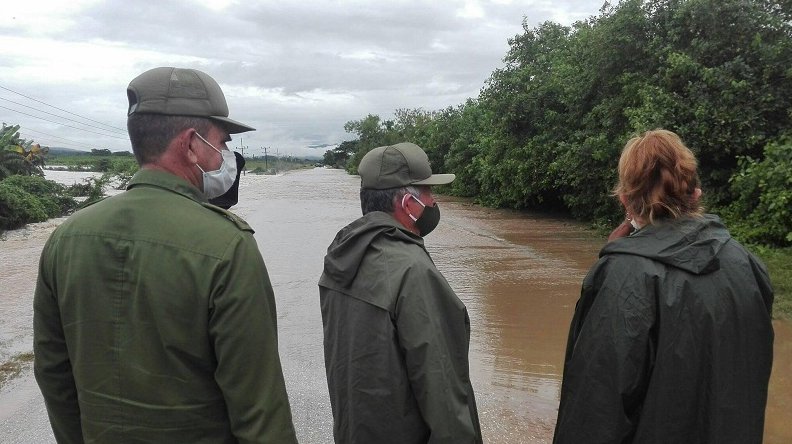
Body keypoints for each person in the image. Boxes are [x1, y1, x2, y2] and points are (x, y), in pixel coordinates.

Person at [34, 67, 297, 443]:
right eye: (222, 143)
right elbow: (259, 407)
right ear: (192, 144)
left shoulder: (66, 238)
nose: (227, 156)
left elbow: (54, 373)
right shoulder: (227, 245)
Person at [553, 129, 774, 444]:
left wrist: (617, 256)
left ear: (626, 200)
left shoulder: (622, 277)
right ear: (695, 195)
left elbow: (594, 412)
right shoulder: (749, 265)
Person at [319, 142, 483, 444]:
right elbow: (445, 398)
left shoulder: (340, 259)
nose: (434, 202)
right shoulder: (413, 271)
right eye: (429, 193)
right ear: (408, 203)